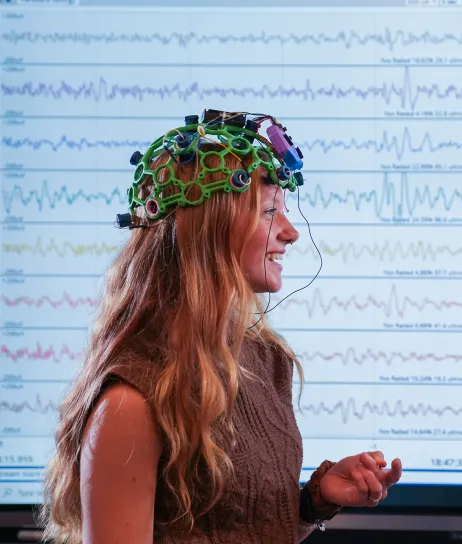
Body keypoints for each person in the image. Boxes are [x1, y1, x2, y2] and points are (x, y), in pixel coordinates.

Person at [39, 110, 403, 544]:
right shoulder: (130, 404)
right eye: (270, 212)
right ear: (212, 229)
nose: (290, 233)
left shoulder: (265, 362)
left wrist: (312, 502)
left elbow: (237, 528)